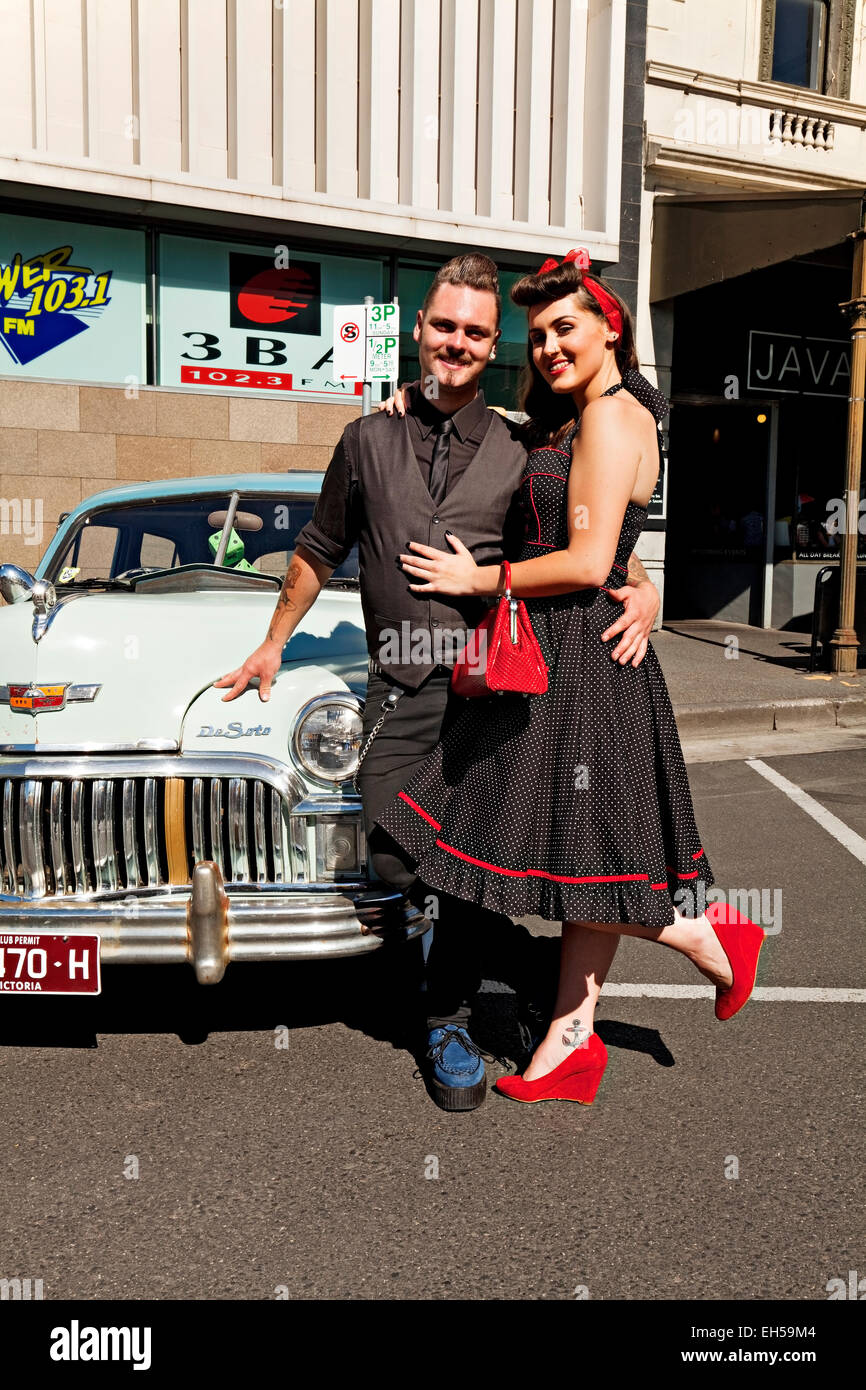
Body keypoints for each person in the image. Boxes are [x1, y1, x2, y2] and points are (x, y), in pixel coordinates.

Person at [213, 253, 661, 1111]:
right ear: (418, 330)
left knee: (461, 867)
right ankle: (530, 961)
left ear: (493, 347)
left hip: (490, 688)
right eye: (444, 326)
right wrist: (273, 644)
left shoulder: (525, 442)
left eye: (476, 333)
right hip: (401, 685)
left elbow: (591, 532)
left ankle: (448, 1020)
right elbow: (315, 549)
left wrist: (645, 587)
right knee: (393, 851)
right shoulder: (366, 437)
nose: (457, 342)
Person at [375, 248, 765, 1107]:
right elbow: (612, 551)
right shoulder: (590, 415)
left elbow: (590, 560)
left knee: (554, 853)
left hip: (579, 661)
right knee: (585, 857)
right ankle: (567, 1043)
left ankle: (710, 934)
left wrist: (479, 579)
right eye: (538, 333)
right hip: (574, 653)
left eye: (565, 328)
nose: (548, 346)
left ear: (610, 328)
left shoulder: (611, 418)